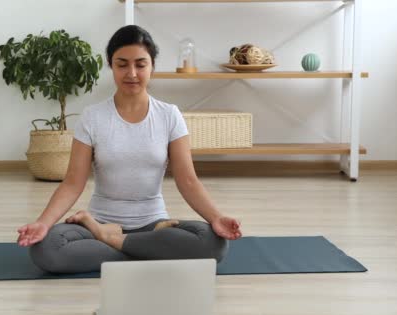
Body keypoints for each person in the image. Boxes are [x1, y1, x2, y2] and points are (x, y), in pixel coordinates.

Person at [16, 25, 242, 274]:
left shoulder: (169, 115)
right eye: (122, 64)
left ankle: (113, 241)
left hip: (155, 224)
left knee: (213, 244)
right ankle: (147, 250)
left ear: (152, 66)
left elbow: (187, 180)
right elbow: (72, 183)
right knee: (46, 249)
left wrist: (216, 217)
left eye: (140, 64)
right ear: (111, 66)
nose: (132, 73)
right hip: (100, 221)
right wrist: (43, 222)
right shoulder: (92, 117)